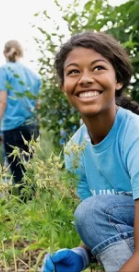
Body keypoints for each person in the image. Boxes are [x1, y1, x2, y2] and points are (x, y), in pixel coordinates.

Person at [42, 31, 139, 272]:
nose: (85, 79)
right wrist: (82, 254)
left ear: (118, 80)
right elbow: (103, 222)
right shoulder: (75, 150)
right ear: (64, 86)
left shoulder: (134, 134)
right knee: (90, 211)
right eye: (73, 71)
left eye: (97, 68)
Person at [0, 40, 41, 193]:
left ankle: (26, 212)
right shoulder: (35, 77)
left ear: (6, 52)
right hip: (32, 128)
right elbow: (38, 106)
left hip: (13, 129)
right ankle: (36, 211)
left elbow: (2, 103)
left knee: (19, 177)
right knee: (32, 174)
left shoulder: (4, 70)